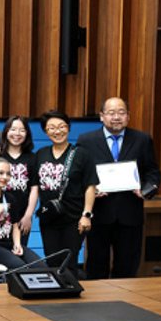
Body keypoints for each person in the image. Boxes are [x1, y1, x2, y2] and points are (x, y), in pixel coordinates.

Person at [77, 97, 161, 278]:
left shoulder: (142, 139)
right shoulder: (86, 140)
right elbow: (79, 175)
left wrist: (146, 190)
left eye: (121, 112)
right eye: (111, 113)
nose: (116, 117)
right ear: (101, 116)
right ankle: (96, 305)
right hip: (99, 214)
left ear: (128, 116)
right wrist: (92, 190)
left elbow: (152, 172)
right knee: (96, 266)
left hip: (130, 214)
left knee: (128, 266)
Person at [35, 110, 97, 272]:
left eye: (62, 126)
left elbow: (90, 186)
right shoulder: (41, 154)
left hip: (74, 219)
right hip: (49, 219)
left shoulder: (82, 154)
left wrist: (87, 215)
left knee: (69, 262)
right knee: (52, 261)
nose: (57, 131)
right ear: (45, 132)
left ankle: (70, 293)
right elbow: (35, 186)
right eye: (51, 128)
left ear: (68, 128)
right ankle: (55, 295)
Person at [0, 154, 40, 271]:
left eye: (8, 174)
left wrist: (17, 244)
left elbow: (15, 225)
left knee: (40, 266)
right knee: (19, 267)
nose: (5, 177)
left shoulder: (10, 198)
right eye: (0, 173)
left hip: (8, 243)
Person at [0, 116, 39, 247]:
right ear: (6, 132)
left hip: (22, 215)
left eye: (22, 130)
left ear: (27, 134)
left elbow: (34, 189)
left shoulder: (33, 158)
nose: (17, 134)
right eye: (13, 129)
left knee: (20, 251)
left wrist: (28, 216)